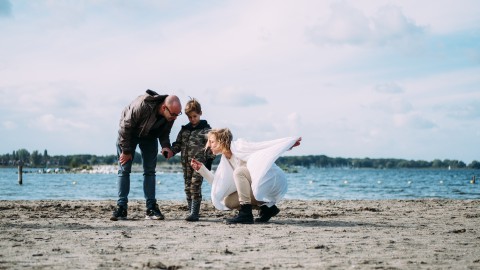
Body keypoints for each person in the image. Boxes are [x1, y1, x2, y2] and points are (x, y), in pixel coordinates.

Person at [191, 128, 301, 224]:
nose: (209, 145)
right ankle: (268, 209)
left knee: (239, 172)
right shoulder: (225, 161)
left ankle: (246, 214)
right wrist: (202, 170)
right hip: (259, 185)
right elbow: (219, 185)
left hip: (272, 180)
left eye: (212, 141)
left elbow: (262, 147)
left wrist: (286, 145)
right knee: (228, 201)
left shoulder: (240, 146)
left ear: (222, 141)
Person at [110, 89, 182, 221]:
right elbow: (125, 127)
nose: (175, 118)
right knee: (124, 169)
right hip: (129, 135)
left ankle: (151, 209)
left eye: (178, 115)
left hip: (150, 136)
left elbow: (165, 133)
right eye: (173, 114)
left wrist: (166, 146)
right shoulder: (142, 105)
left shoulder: (171, 114)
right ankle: (121, 208)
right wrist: (126, 151)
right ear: (164, 107)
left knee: (150, 171)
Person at [171, 98, 215, 222]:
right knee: (187, 187)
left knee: (195, 187)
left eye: (195, 116)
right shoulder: (184, 130)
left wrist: (209, 162)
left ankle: (195, 213)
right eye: (190, 117)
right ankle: (190, 210)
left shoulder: (206, 131)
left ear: (200, 113)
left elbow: (212, 147)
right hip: (185, 164)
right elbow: (178, 144)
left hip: (199, 165)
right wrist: (171, 151)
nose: (192, 119)